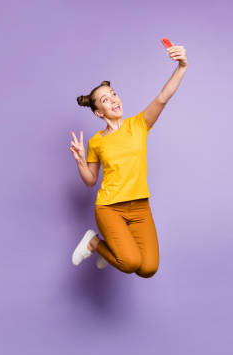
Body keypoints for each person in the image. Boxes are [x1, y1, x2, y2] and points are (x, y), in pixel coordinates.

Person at [69, 42, 188, 278]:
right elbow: (91, 181)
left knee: (148, 269)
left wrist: (182, 66)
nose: (113, 99)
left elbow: (163, 97)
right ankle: (94, 243)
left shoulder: (139, 124)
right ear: (98, 113)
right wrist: (80, 160)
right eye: (105, 99)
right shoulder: (96, 142)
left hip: (140, 207)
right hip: (110, 208)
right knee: (130, 262)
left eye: (113, 94)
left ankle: (106, 250)